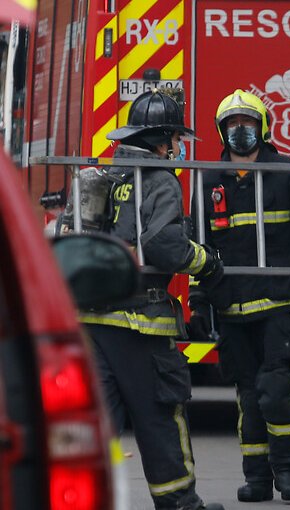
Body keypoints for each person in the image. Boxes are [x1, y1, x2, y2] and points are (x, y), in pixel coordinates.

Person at [77, 90, 225, 510]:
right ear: (161, 141)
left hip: (91, 320)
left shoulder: (106, 176)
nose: (176, 148)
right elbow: (163, 245)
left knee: (94, 421)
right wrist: (205, 261)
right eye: (173, 140)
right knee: (161, 415)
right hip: (140, 323)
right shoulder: (160, 180)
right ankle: (179, 503)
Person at [189, 89, 290, 503]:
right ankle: (256, 478)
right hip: (231, 306)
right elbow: (197, 243)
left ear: (263, 128)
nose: (240, 131)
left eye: (248, 123)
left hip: (279, 302)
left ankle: (287, 470)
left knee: (276, 389)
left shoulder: (286, 172)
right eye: (232, 125)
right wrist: (198, 300)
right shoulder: (209, 177)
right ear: (222, 131)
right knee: (248, 396)